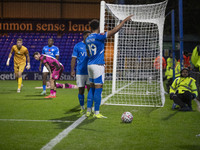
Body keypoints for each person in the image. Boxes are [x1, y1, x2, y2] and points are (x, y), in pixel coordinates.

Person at [85, 15, 133, 119]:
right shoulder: (99, 36)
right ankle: (96, 112)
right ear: (98, 27)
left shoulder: (88, 38)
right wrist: (124, 20)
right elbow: (115, 30)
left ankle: (88, 111)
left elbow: (88, 52)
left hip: (90, 64)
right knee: (98, 88)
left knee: (92, 88)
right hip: (98, 65)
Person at [71, 30, 91, 115]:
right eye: (87, 35)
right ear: (83, 36)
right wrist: (72, 70)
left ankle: (90, 108)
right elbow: (73, 58)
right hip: (80, 71)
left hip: (90, 71)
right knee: (81, 90)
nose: (88, 37)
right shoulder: (78, 46)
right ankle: (82, 107)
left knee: (90, 90)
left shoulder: (92, 45)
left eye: (89, 36)